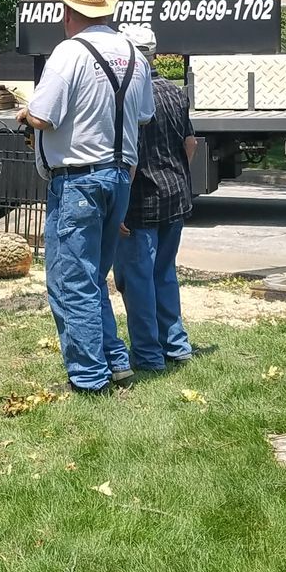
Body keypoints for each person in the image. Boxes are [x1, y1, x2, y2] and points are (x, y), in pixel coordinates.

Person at [16, 0, 154, 393]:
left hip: (77, 181)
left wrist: (23, 113)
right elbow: (143, 116)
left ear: (67, 11)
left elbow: (43, 116)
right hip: (119, 179)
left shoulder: (69, 54)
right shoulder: (134, 54)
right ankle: (116, 362)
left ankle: (89, 378)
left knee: (70, 280)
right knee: (94, 277)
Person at [114, 23, 197, 370]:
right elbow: (190, 143)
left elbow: (129, 157)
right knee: (164, 273)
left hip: (140, 200)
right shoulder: (176, 93)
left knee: (137, 282)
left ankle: (148, 355)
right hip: (175, 195)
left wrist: (118, 206)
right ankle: (177, 346)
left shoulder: (127, 95)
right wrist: (177, 174)